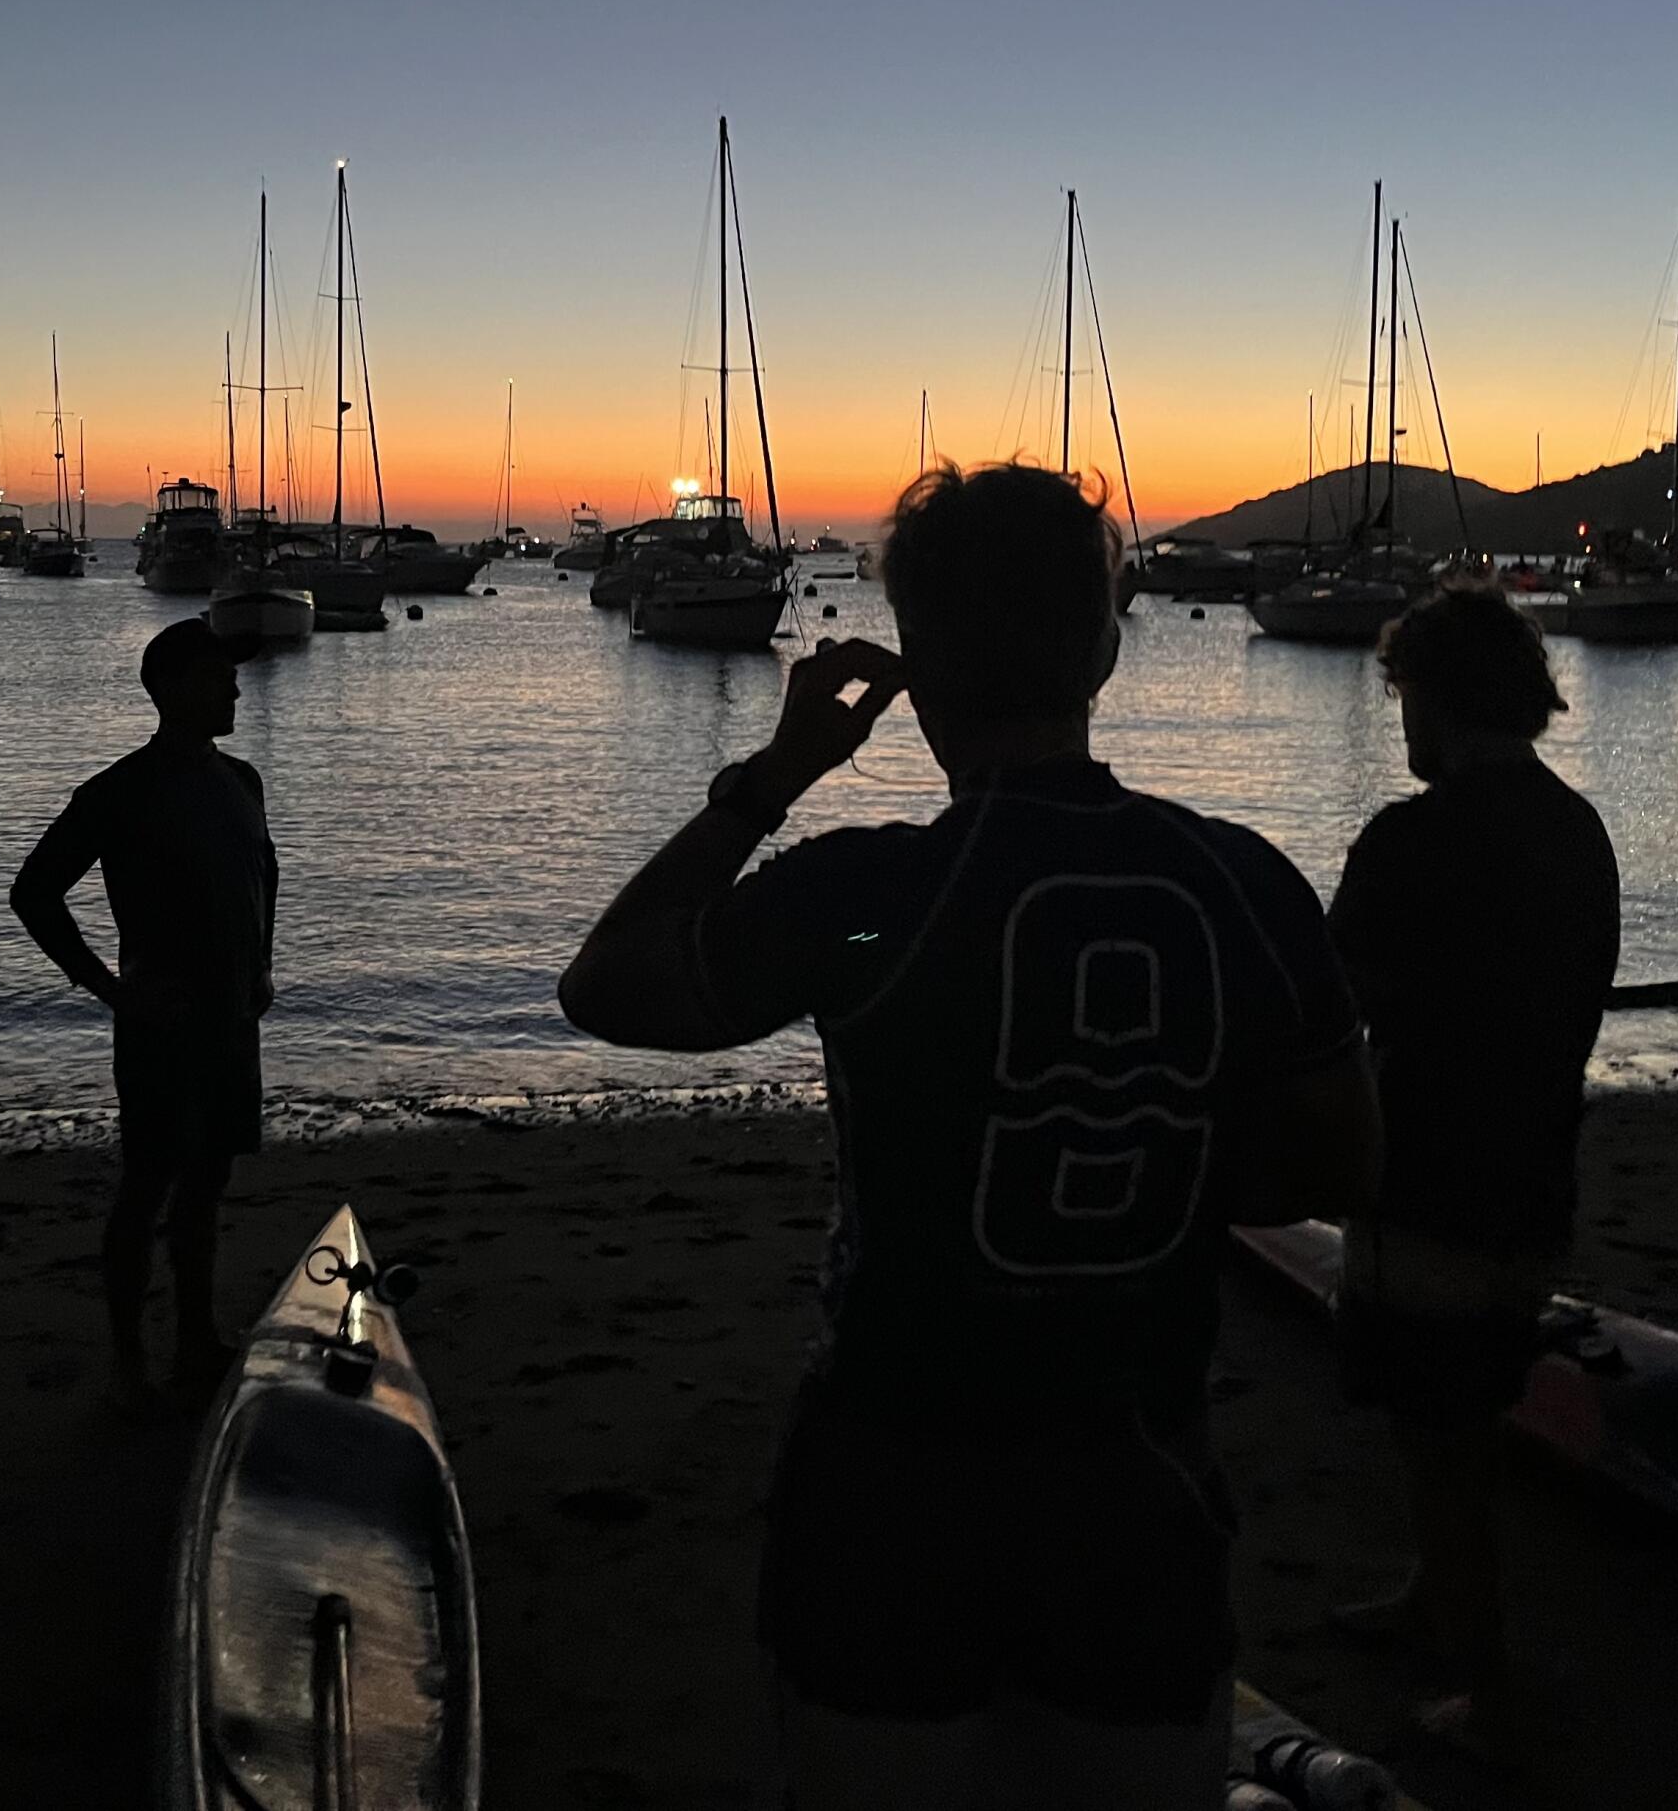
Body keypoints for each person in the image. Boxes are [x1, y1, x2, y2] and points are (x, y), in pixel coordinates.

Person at [559, 460, 1381, 1811]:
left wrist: (771, 778)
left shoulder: (874, 898)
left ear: (915, 666)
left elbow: (609, 986)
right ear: (1108, 645)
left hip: (894, 1482)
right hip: (1138, 1485)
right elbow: (1342, 1163)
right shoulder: (1243, 884)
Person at [1326, 584, 1619, 1755]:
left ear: (1432, 703)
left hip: (1424, 1167)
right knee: (1468, 1407)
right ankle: (1427, 1599)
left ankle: (1486, 1686)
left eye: (1401, 697)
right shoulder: (1574, 830)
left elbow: (1336, 994)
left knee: (1431, 1428)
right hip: (1534, 1162)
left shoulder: (1409, 839)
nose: (1399, 723)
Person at [11, 618, 277, 1412]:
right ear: (171, 688)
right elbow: (35, 892)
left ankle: (196, 1336)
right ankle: (131, 1356)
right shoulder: (120, 790)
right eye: (216, 674)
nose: (234, 687)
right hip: (160, 1024)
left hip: (232, 1019)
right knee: (150, 1179)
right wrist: (108, 987)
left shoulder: (243, 780)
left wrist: (262, 962)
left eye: (232, 673)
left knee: (210, 1178)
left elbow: (261, 872)